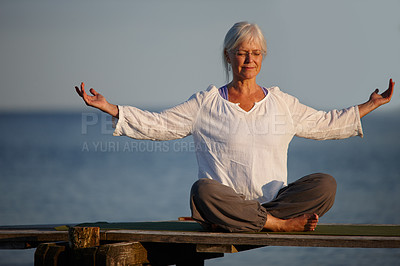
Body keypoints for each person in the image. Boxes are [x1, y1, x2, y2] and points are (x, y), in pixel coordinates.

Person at [75, 21, 394, 233]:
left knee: (326, 185)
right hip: (227, 205)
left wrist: (370, 105)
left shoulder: (281, 102)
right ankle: (276, 226)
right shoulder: (206, 103)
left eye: (256, 53)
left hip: (274, 203)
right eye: (242, 53)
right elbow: (161, 125)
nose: (249, 59)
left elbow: (325, 124)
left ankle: (259, 219)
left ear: (262, 57)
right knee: (203, 191)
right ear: (228, 56)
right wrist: (110, 108)